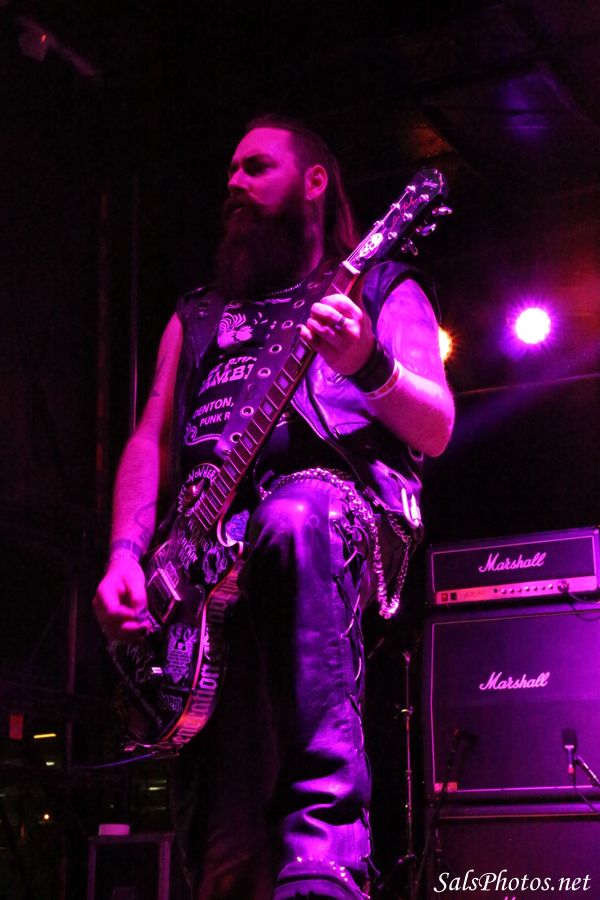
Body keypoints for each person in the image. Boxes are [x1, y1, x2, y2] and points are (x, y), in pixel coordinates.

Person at [93, 116, 454, 900]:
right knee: (225, 852)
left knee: (293, 517)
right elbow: (151, 438)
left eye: (256, 167)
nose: (233, 182)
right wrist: (125, 555)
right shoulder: (197, 315)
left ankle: (325, 856)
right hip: (200, 573)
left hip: (334, 525)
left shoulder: (378, 285)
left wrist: (368, 362)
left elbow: (436, 425)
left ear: (314, 182)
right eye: (229, 170)